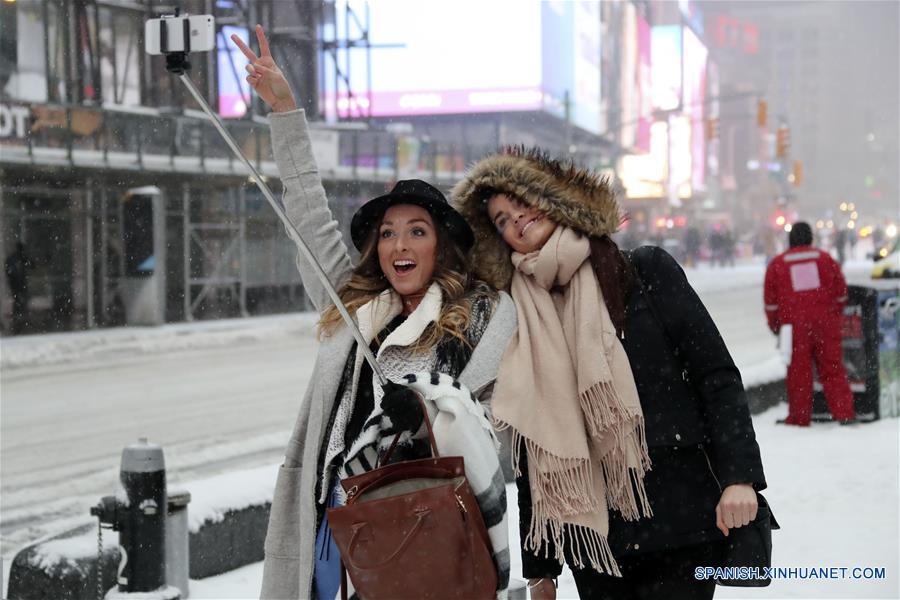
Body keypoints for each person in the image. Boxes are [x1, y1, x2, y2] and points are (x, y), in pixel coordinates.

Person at [232, 26, 517, 600]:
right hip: (329, 518)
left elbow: (493, 430)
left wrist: (425, 410)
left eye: (417, 231)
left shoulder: (484, 312)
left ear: (442, 245)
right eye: (388, 234)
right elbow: (308, 214)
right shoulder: (352, 303)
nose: (399, 245)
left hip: (420, 523)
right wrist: (285, 111)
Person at [453, 147, 766, 600]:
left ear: (556, 198)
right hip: (594, 545)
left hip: (678, 520)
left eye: (521, 202)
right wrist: (542, 566)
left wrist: (740, 477)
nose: (515, 221)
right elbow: (534, 436)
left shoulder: (644, 271)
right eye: (500, 220)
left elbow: (716, 376)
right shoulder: (520, 316)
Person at [764, 222, 855, 426]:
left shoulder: (778, 264)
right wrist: (833, 315)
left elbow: (771, 303)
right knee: (832, 369)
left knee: (799, 373)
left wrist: (776, 325)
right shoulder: (825, 259)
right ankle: (845, 414)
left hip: (794, 326)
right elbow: (841, 293)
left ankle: (799, 417)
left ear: (790, 239)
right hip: (826, 323)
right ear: (811, 238)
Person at [5, 241, 31, 334]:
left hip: (16, 283)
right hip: (19, 283)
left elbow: (8, 270)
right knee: (20, 299)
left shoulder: (15, 258)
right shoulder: (20, 258)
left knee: (18, 299)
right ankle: (19, 315)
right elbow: (31, 265)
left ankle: (18, 315)